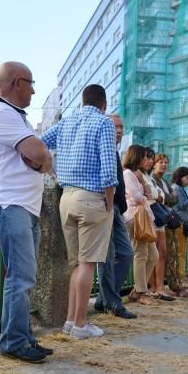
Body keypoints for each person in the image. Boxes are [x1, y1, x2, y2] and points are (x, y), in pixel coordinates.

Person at [0, 61, 54, 363]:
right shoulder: (2, 114)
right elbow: (39, 154)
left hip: (22, 206)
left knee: (25, 276)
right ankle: (13, 341)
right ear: (16, 82)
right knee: (21, 277)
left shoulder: (15, 117)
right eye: (31, 83)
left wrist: (40, 158)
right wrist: (39, 158)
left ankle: (22, 337)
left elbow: (42, 157)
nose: (34, 90)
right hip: (10, 205)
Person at [42, 84, 117, 340]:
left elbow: (40, 142)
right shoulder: (104, 123)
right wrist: (109, 201)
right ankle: (82, 324)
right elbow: (109, 167)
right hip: (92, 197)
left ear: (83, 101)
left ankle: (71, 322)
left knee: (76, 264)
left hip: (67, 196)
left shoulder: (67, 121)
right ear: (103, 104)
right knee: (87, 263)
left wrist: (52, 172)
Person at [93, 114, 137, 320]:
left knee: (126, 253)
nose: (119, 131)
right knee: (106, 257)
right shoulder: (102, 146)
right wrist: (109, 205)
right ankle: (111, 301)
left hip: (117, 208)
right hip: (106, 206)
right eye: (115, 127)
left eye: (121, 127)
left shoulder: (115, 150)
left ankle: (104, 298)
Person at [122, 145, 160, 305]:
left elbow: (152, 195)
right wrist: (146, 195)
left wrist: (144, 189)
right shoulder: (128, 174)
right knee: (141, 254)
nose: (147, 160)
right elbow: (139, 197)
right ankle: (142, 291)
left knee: (153, 256)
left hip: (143, 217)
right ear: (137, 157)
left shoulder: (137, 175)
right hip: (134, 217)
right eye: (145, 156)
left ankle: (138, 290)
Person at [146, 152, 181, 300]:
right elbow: (161, 197)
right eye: (161, 161)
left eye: (166, 162)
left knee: (162, 253)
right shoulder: (151, 178)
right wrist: (165, 197)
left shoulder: (163, 181)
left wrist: (164, 197)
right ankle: (155, 287)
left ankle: (159, 286)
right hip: (154, 216)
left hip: (162, 218)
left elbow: (174, 199)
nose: (164, 164)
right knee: (156, 254)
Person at [171, 166, 188, 285]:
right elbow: (181, 205)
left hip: (183, 222)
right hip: (179, 222)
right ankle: (180, 277)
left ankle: (181, 276)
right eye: (187, 177)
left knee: (181, 252)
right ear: (180, 177)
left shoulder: (180, 188)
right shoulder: (176, 188)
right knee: (180, 252)